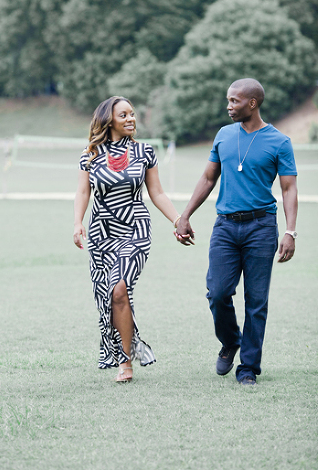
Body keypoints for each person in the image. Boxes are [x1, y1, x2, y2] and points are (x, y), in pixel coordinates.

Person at [175, 78, 298, 386]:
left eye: (234, 101)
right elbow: (208, 178)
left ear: (252, 104)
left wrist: (290, 231)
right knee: (217, 292)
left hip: (261, 227)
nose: (228, 106)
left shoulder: (279, 142)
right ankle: (231, 340)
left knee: (256, 301)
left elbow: (288, 188)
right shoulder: (224, 135)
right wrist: (185, 215)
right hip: (226, 227)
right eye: (228, 100)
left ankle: (248, 369)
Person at [74, 96, 183, 382]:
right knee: (108, 295)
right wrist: (77, 223)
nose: (131, 118)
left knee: (119, 289)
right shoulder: (90, 155)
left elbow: (157, 192)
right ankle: (125, 354)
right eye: (123, 115)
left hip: (135, 228)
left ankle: (125, 362)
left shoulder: (144, 152)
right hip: (101, 233)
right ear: (108, 120)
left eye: (132, 114)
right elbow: (83, 192)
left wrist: (178, 220)